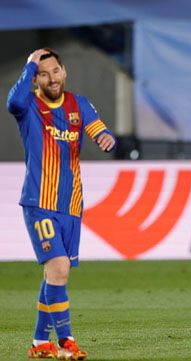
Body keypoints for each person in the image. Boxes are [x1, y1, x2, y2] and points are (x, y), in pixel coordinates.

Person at [7, 48, 116, 360]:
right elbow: (12, 102)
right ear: (35, 78)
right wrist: (29, 64)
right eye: (43, 73)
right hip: (39, 201)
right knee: (59, 268)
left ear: (64, 71)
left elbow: (100, 130)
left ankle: (40, 342)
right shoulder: (28, 105)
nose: (51, 78)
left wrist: (107, 138)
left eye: (55, 71)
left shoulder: (78, 105)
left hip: (71, 205)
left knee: (54, 274)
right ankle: (66, 340)